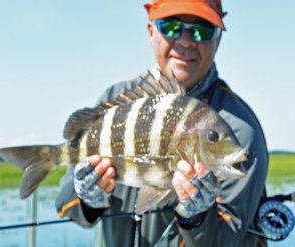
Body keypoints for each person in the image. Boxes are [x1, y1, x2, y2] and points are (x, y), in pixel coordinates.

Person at [55, 0, 268, 246]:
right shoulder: (114, 101)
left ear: (218, 39)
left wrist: (196, 219)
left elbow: (229, 240)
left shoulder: (241, 134)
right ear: (150, 31)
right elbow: (66, 206)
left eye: (203, 30)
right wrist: (87, 200)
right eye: (171, 26)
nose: (187, 41)